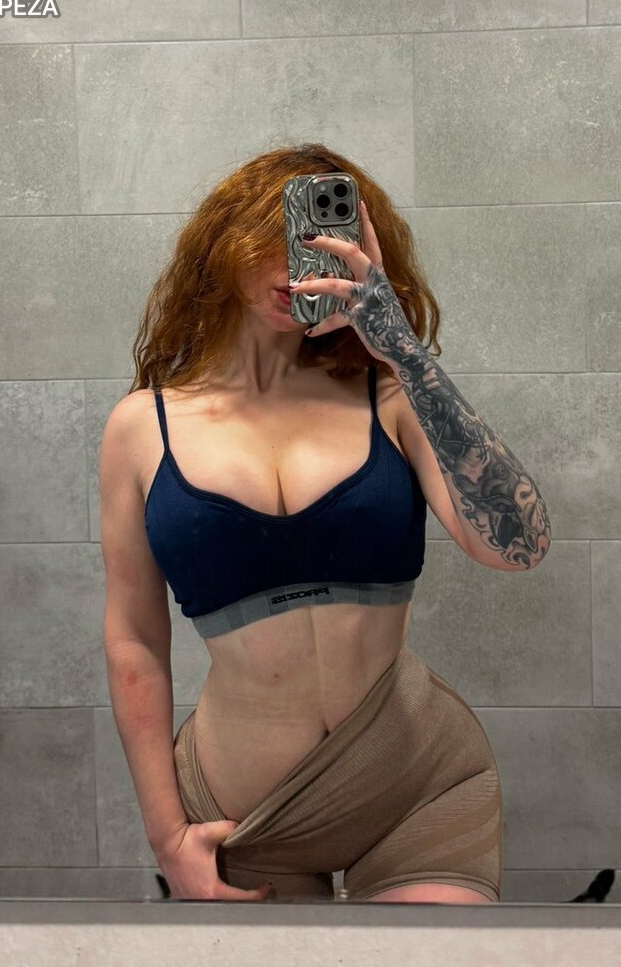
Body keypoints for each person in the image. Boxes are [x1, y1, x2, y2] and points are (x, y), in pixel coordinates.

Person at [100, 144, 550, 905]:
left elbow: (519, 546)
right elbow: (134, 640)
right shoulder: (142, 428)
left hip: (416, 788)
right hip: (244, 812)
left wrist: (402, 349)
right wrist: (166, 834)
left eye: (323, 236)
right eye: (277, 234)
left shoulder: (391, 397)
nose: (300, 261)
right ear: (225, 243)